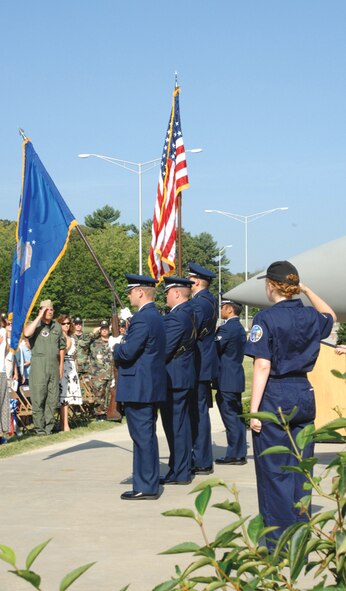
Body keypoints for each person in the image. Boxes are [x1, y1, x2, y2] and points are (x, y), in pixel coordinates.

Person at [244, 260, 336, 550]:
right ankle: (301, 541)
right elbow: (330, 315)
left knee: (274, 472)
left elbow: (262, 365)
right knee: (301, 470)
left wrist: (255, 410)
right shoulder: (310, 316)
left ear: (271, 286)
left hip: (275, 394)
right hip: (303, 393)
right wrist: (307, 291)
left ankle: (277, 545)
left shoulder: (266, 319)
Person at [113, 274, 166, 500]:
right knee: (146, 436)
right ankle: (147, 481)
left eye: (131, 291)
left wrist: (116, 347)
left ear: (141, 292)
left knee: (142, 437)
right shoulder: (153, 316)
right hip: (148, 385)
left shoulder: (144, 319)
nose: (129, 295)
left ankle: (146, 486)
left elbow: (128, 352)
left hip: (140, 387)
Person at [160, 277, 196, 485]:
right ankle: (180, 467)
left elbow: (165, 349)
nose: (165, 297)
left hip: (175, 376)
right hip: (182, 374)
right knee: (180, 424)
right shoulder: (187, 312)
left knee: (176, 426)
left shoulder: (177, 317)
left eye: (167, 293)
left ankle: (180, 471)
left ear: (176, 293)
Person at [187, 262, 218, 475]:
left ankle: (201, 459)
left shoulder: (200, 303)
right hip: (203, 364)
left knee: (197, 413)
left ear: (196, 281)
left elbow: (189, 329)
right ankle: (201, 457)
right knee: (198, 412)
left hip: (198, 365)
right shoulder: (207, 300)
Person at [24, 300, 66, 435]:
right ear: (41, 311)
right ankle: (40, 429)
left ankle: (49, 428)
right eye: (46, 309)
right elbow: (26, 333)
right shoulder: (36, 326)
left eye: (51, 310)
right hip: (39, 366)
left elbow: (61, 348)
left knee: (52, 399)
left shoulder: (57, 327)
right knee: (38, 398)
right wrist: (39, 316)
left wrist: (60, 368)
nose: (49, 312)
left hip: (53, 366)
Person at [214, 298, 247, 465]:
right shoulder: (239, 328)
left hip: (226, 378)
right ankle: (239, 452)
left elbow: (215, 348)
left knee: (230, 418)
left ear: (229, 309)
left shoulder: (228, 329)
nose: (220, 310)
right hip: (235, 376)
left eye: (222, 307)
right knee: (237, 417)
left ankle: (234, 454)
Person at [58, 314, 83, 431]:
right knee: (64, 399)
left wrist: (76, 369)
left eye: (68, 323)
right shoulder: (58, 338)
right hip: (62, 367)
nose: (66, 325)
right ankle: (65, 425)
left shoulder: (72, 338)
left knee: (68, 399)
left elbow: (75, 356)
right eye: (64, 323)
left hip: (72, 368)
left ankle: (64, 423)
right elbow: (62, 352)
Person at [89, 320, 114, 420]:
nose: (104, 331)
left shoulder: (113, 341)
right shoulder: (94, 343)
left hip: (111, 373)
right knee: (99, 395)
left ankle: (109, 412)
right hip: (98, 374)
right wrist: (93, 333)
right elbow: (83, 343)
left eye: (106, 329)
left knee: (109, 394)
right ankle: (99, 414)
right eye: (102, 329)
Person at [0, 317, 9, 444]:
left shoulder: (3, 331)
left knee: (2, 403)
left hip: (1, 370)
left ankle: (1, 433)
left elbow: (6, 349)